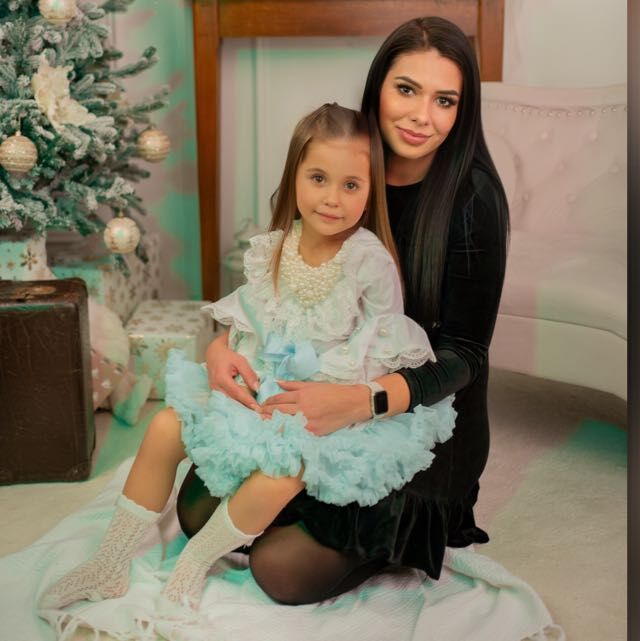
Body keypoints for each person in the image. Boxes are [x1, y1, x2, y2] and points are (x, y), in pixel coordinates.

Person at [39, 102, 457, 614]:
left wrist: (313, 396)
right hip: (267, 386)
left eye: (351, 185)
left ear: (371, 191)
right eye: (319, 179)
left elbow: (380, 348)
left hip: (330, 406)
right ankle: (109, 563)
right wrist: (233, 362)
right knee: (167, 424)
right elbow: (252, 327)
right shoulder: (276, 248)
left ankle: (193, 566)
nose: (332, 198)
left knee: (285, 466)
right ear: (294, 177)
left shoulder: (368, 261)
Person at [176, 16, 509, 606]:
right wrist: (222, 347)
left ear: (463, 110)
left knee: (281, 570)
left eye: (445, 100)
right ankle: (291, 499)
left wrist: (362, 401)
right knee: (195, 511)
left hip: (415, 413)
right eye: (406, 89)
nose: (421, 116)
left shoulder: (472, 200)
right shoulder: (343, 165)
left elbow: (467, 355)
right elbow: (285, 287)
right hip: (322, 383)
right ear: (378, 87)